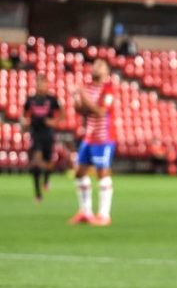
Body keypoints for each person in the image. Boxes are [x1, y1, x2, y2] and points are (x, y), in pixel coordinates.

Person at [68, 58, 117, 226]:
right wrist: (76, 97)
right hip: (88, 138)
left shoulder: (108, 90)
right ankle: (86, 212)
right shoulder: (88, 87)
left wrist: (81, 94)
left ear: (107, 72)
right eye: (95, 65)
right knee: (79, 173)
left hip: (103, 139)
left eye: (101, 66)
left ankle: (104, 215)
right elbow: (82, 110)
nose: (97, 67)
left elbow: (100, 111)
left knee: (102, 174)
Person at [22, 75, 64, 203]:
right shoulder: (31, 99)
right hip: (35, 134)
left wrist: (53, 122)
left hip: (48, 134)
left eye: (43, 83)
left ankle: (46, 179)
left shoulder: (52, 99)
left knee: (48, 163)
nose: (40, 86)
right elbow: (24, 114)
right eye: (38, 83)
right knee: (36, 162)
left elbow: (62, 113)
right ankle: (38, 193)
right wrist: (25, 122)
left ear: (47, 85)